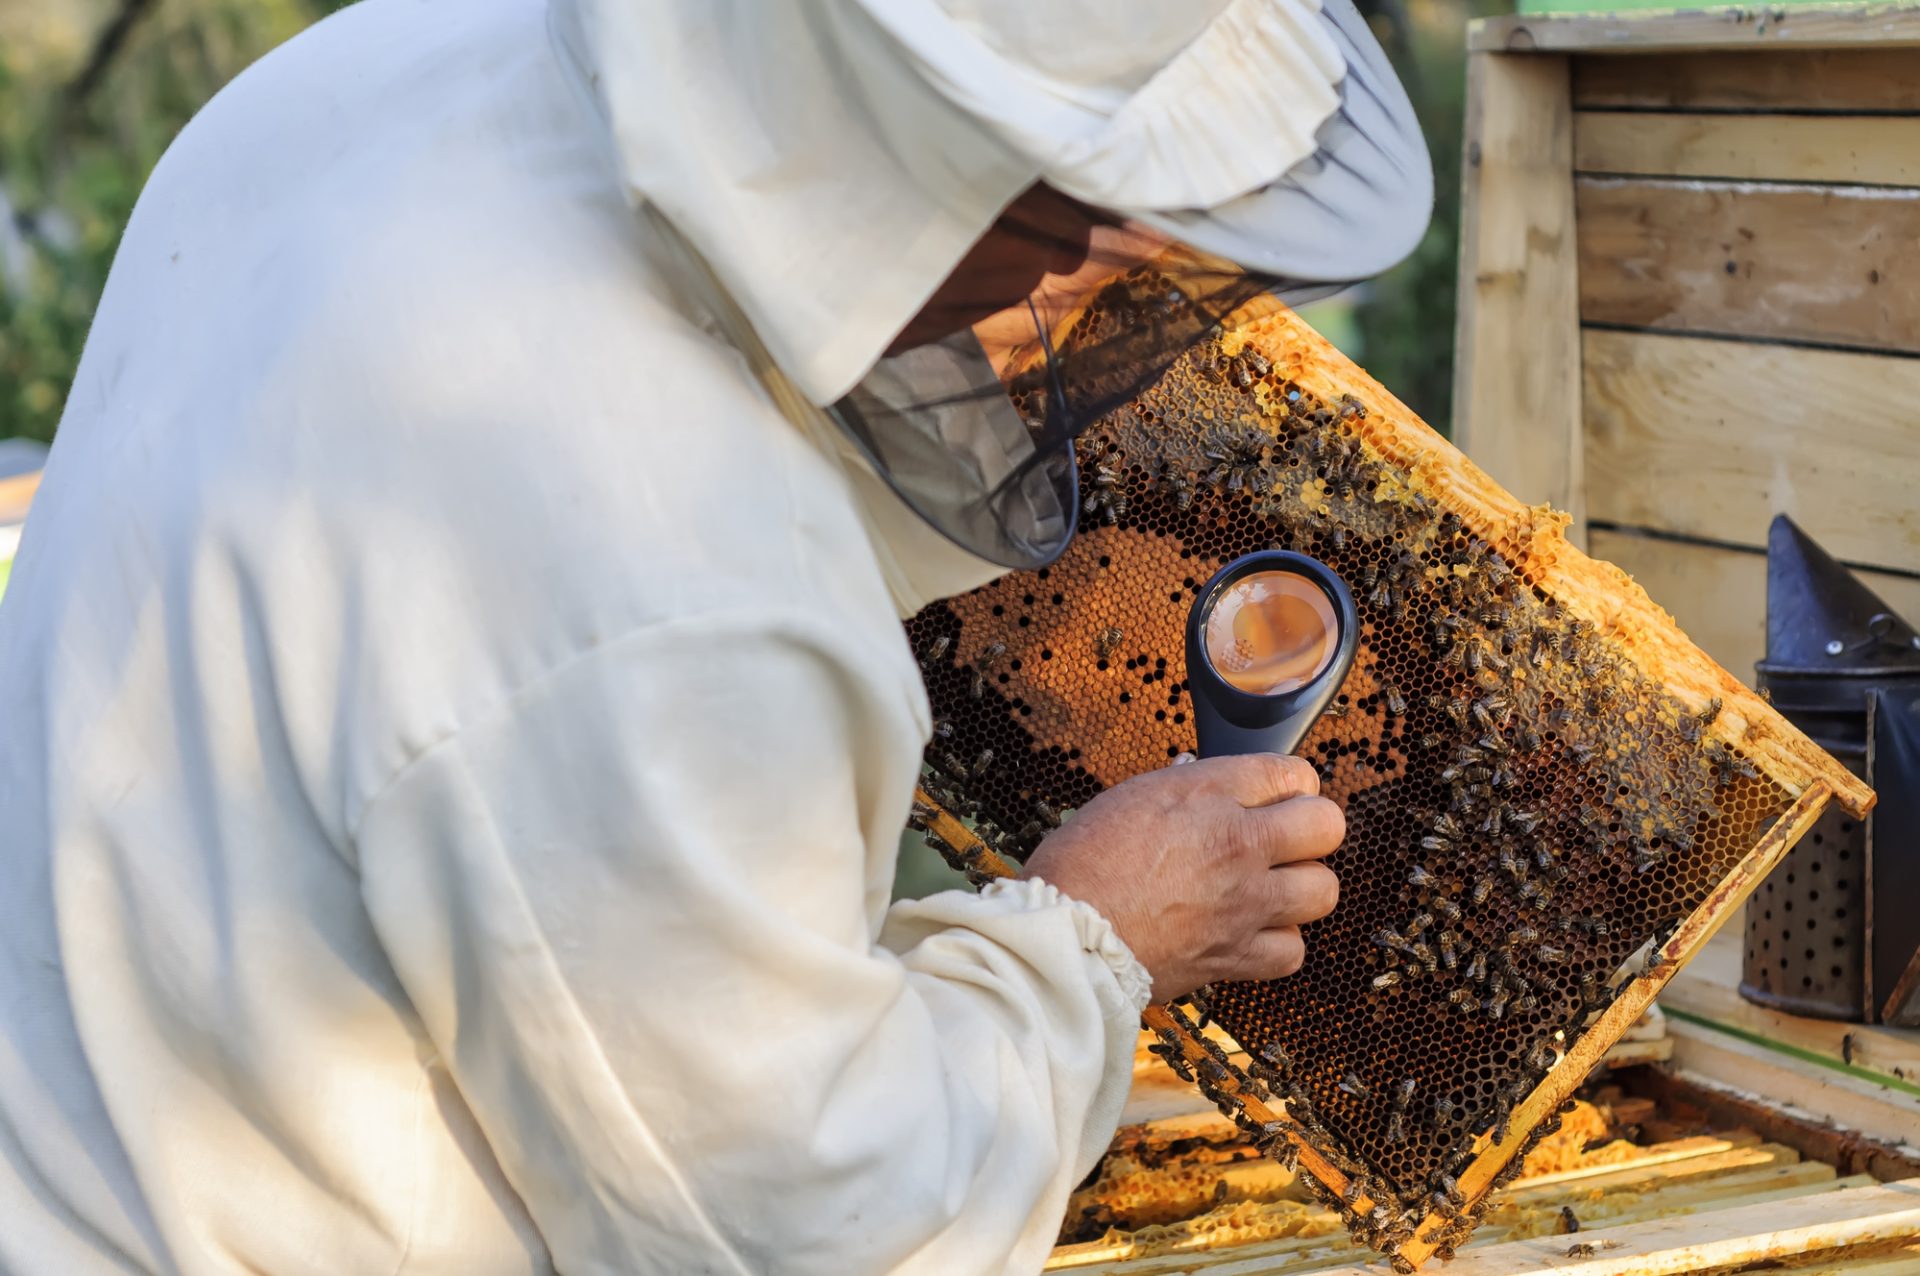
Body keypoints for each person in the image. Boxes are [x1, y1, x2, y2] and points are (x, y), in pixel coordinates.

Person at [0, 0, 1430, 1272]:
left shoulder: (405, 55)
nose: (1115, 314)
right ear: (944, 152)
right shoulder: (657, 568)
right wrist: (1101, 938)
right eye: (1105, 245)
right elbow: (807, 1229)